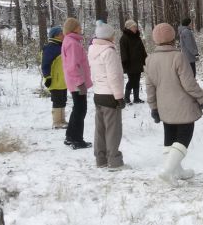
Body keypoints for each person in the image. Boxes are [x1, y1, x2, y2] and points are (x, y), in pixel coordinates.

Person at [145, 23, 203, 186]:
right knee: (183, 139)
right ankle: (166, 172)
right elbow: (189, 83)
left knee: (170, 137)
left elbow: (149, 87)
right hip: (183, 107)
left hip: (164, 108)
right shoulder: (178, 57)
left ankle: (177, 170)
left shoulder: (150, 59)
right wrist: (202, 98)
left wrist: (153, 107)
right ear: (173, 38)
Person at [88, 22, 126, 169]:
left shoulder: (92, 49)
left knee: (100, 129)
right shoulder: (109, 51)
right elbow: (114, 76)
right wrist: (119, 97)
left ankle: (100, 159)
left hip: (98, 93)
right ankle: (114, 161)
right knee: (113, 130)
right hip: (110, 94)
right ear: (108, 36)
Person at [61, 18, 93, 149]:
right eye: (79, 26)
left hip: (74, 80)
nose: (81, 28)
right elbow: (73, 65)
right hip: (77, 81)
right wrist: (80, 82)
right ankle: (77, 139)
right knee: (81, 109)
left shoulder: (69, 41)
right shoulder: (73, 43)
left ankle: (70, 136)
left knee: (77, 109)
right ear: (73, 28)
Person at [41, 26, 68, 129]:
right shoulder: (50, 48)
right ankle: (57, 122)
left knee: (63, 100)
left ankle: (62, 120)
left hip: (63, 80)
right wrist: (47, 77)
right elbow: (45, 64)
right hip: (54, 81)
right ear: (56, 35)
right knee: (57, 101)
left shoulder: (61, 46)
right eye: (61, 33)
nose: (63, 35)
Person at [119, 19, 147, 104]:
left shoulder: (137, 37)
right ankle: (126, 98)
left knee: (137, 80)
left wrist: (146, 59)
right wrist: (125, 63)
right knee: (131, 81)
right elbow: (123, 52)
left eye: (135, 26)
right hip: (130, 64)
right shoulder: (124, 38)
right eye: (134, 27)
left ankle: (136, 98)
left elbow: (142, 50)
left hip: (138, 63)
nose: (135, 28)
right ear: (129, 28)